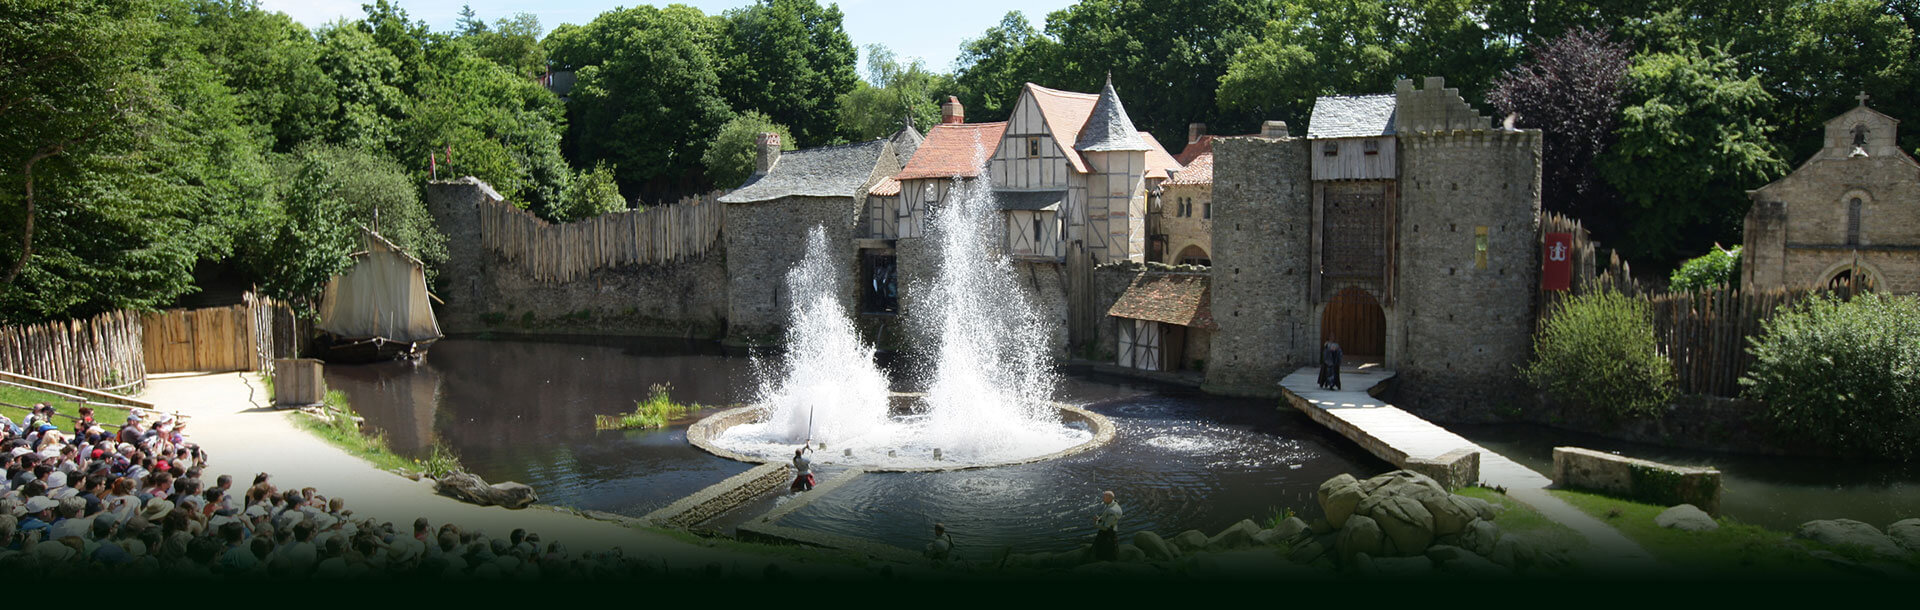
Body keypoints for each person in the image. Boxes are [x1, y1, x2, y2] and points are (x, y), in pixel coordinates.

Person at [1090, 490, 1122, 561]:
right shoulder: (1114, 505)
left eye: (1104, 497)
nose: (1103, 499)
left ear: (1109, 498)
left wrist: (1096, 523)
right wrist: (1099, 519)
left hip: (1107, 535)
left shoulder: (1112, 511)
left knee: (1104, 552)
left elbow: (1105, 528)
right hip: (1112, 530)